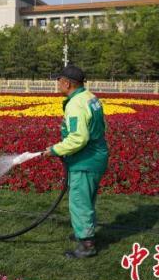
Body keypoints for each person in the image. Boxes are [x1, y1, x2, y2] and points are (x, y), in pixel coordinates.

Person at [42, 65, 109, 259]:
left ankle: (86, 244)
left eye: (59, 80)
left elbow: (78, 138)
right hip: (96, 157)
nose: (57, 84)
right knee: (86, 200)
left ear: (67, 83)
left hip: (85, 160)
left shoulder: (75, 104)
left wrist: (55, 150)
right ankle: (84, 232)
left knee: (79, 202)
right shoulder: (90, 97)